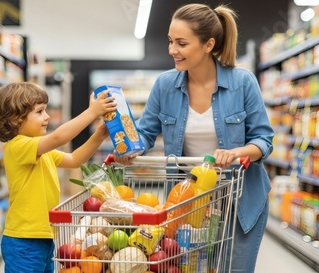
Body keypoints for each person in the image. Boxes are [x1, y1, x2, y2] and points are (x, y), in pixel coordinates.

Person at [115, 3, 274, 272]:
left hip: (239, 198)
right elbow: (145, 132)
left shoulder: (242, 82)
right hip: (187, 201)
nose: (172, 50)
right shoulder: (165, 86)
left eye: (181, 43)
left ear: (208, 44)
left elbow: (263, 140)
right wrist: (129, 147)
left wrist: (237, 153)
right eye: (170, 41)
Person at [0, 82, 116, 273]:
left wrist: (97, 136)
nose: (47, 116)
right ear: (15, 119)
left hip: (44, 238)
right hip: (23, 241)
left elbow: (74, 159)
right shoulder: (18, 146)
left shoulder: (40, 149)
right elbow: (58, 138)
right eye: (39, 112)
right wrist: (91, 113)